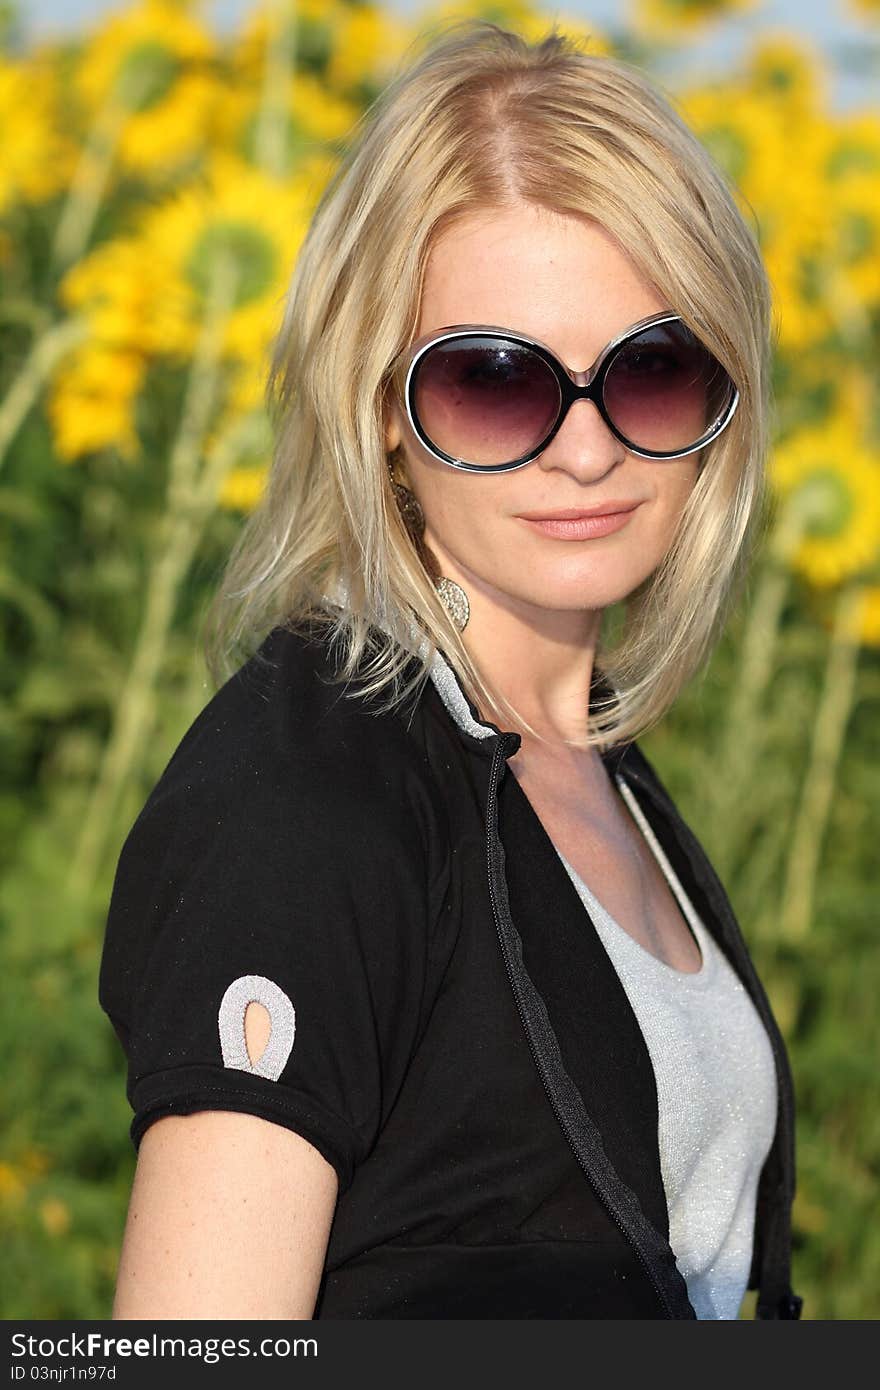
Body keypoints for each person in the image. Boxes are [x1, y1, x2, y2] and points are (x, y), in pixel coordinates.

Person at [97, 19, 802, 1320]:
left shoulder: (587, 757)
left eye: (650, 371)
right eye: (493, 383)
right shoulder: (311, 799)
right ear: (378, 409)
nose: (585, 452)